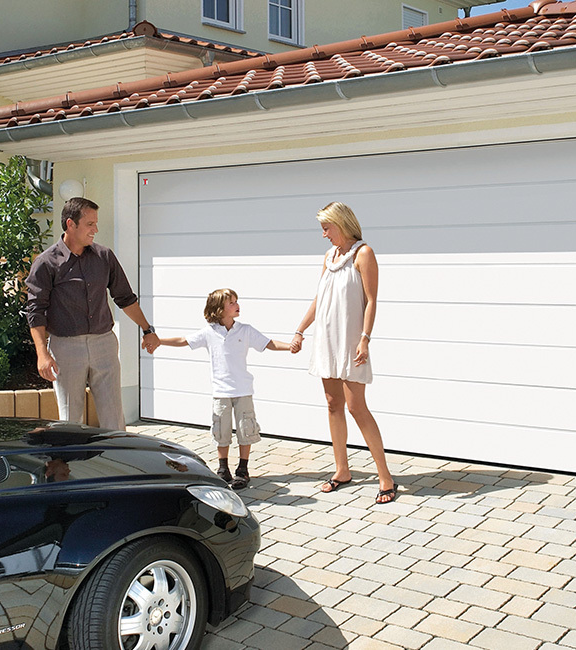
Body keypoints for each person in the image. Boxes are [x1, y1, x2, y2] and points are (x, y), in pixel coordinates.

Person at [291, 202, 397, 504]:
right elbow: (319, 297)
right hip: (326, 338)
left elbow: (372, 300)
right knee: (332, 404)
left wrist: (365, 339)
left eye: (326, 228)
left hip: (351, 340)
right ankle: (342, 470)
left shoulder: (363, 253)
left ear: (341, 223)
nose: (323, 234)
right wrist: (300, 329)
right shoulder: (329, 256)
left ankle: (385, 477)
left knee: (356, 407)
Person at [24, 197, 160, 430]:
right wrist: (42, 354)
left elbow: (125, 298)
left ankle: (117, 464)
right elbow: (35, 311)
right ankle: (69, 465)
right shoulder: (46, 263)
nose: (95, 230)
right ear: (70, 224)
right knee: (70, 419)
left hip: (104, 344)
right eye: (90, 224)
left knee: (114, 417)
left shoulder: (104, 256)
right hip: (65, 347)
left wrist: (147, 329)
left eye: (95, 224)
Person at [158, 288, 291, 489]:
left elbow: (268, 343)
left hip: (243, 390)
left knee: (246, 429)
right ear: (219, 309)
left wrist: (290, 346)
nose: (238, 305)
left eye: (237, 302)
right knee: (222, 430)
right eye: (232, 303)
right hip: (221, 392)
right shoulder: (209, 333)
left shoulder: (245, 330)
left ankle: (243, 470)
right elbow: (184, 341)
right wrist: (158, 341)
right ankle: (223, 469)